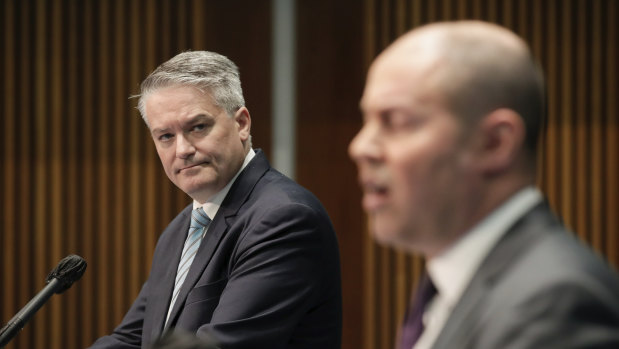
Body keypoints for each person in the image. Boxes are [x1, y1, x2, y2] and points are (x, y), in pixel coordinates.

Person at [348, 20, 619, 349]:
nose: (361, 147)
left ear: (495, 143)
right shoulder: (450, 285)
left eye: (396, 121)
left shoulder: (555, 302)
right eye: (367, 120)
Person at [89, 51, 342, 349]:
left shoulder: (284, 219)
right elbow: (131, 339)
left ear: (242, 123)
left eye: (197, 127)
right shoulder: (179, 230)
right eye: (166, 136)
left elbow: (223, 345)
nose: (182, 149)